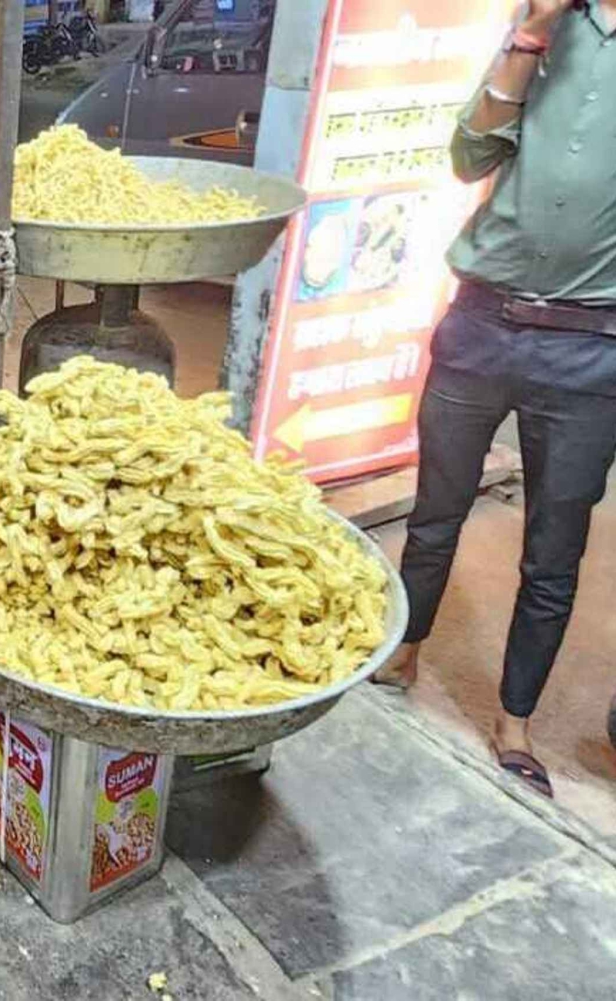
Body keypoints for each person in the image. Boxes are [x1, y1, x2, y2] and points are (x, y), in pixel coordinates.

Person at [373, 0, 616, 799]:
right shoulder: (541, 27)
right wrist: (531, 34)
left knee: (553, 551)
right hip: (481, 322)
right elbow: (470, 155)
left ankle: (516, 722)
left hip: (592, 347)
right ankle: (404, 650)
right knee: (435, 514)